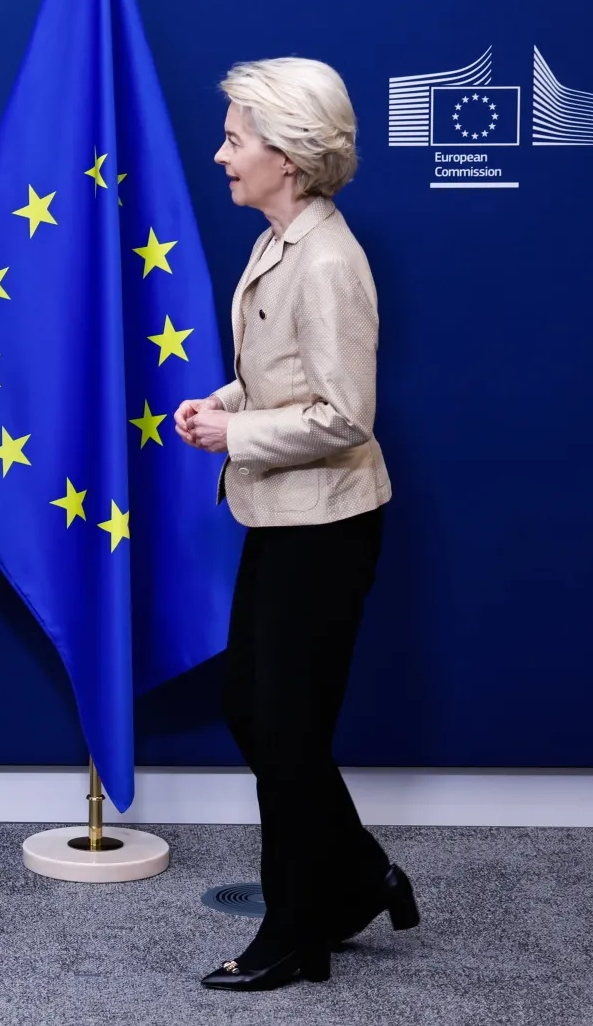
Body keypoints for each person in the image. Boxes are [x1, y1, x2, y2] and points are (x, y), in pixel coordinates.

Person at [174, 58, 419, 991]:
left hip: (328, 524)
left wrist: (237, 432)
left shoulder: (328, 260)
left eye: (236, 140)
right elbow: (288, 377)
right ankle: (356, 876)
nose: (220, 154)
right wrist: (227, 400)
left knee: (282, 723)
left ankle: (294, 931)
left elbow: (346, 414)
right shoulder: (279, 239)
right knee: (261, 711)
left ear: (289, 155)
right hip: (281, 513)